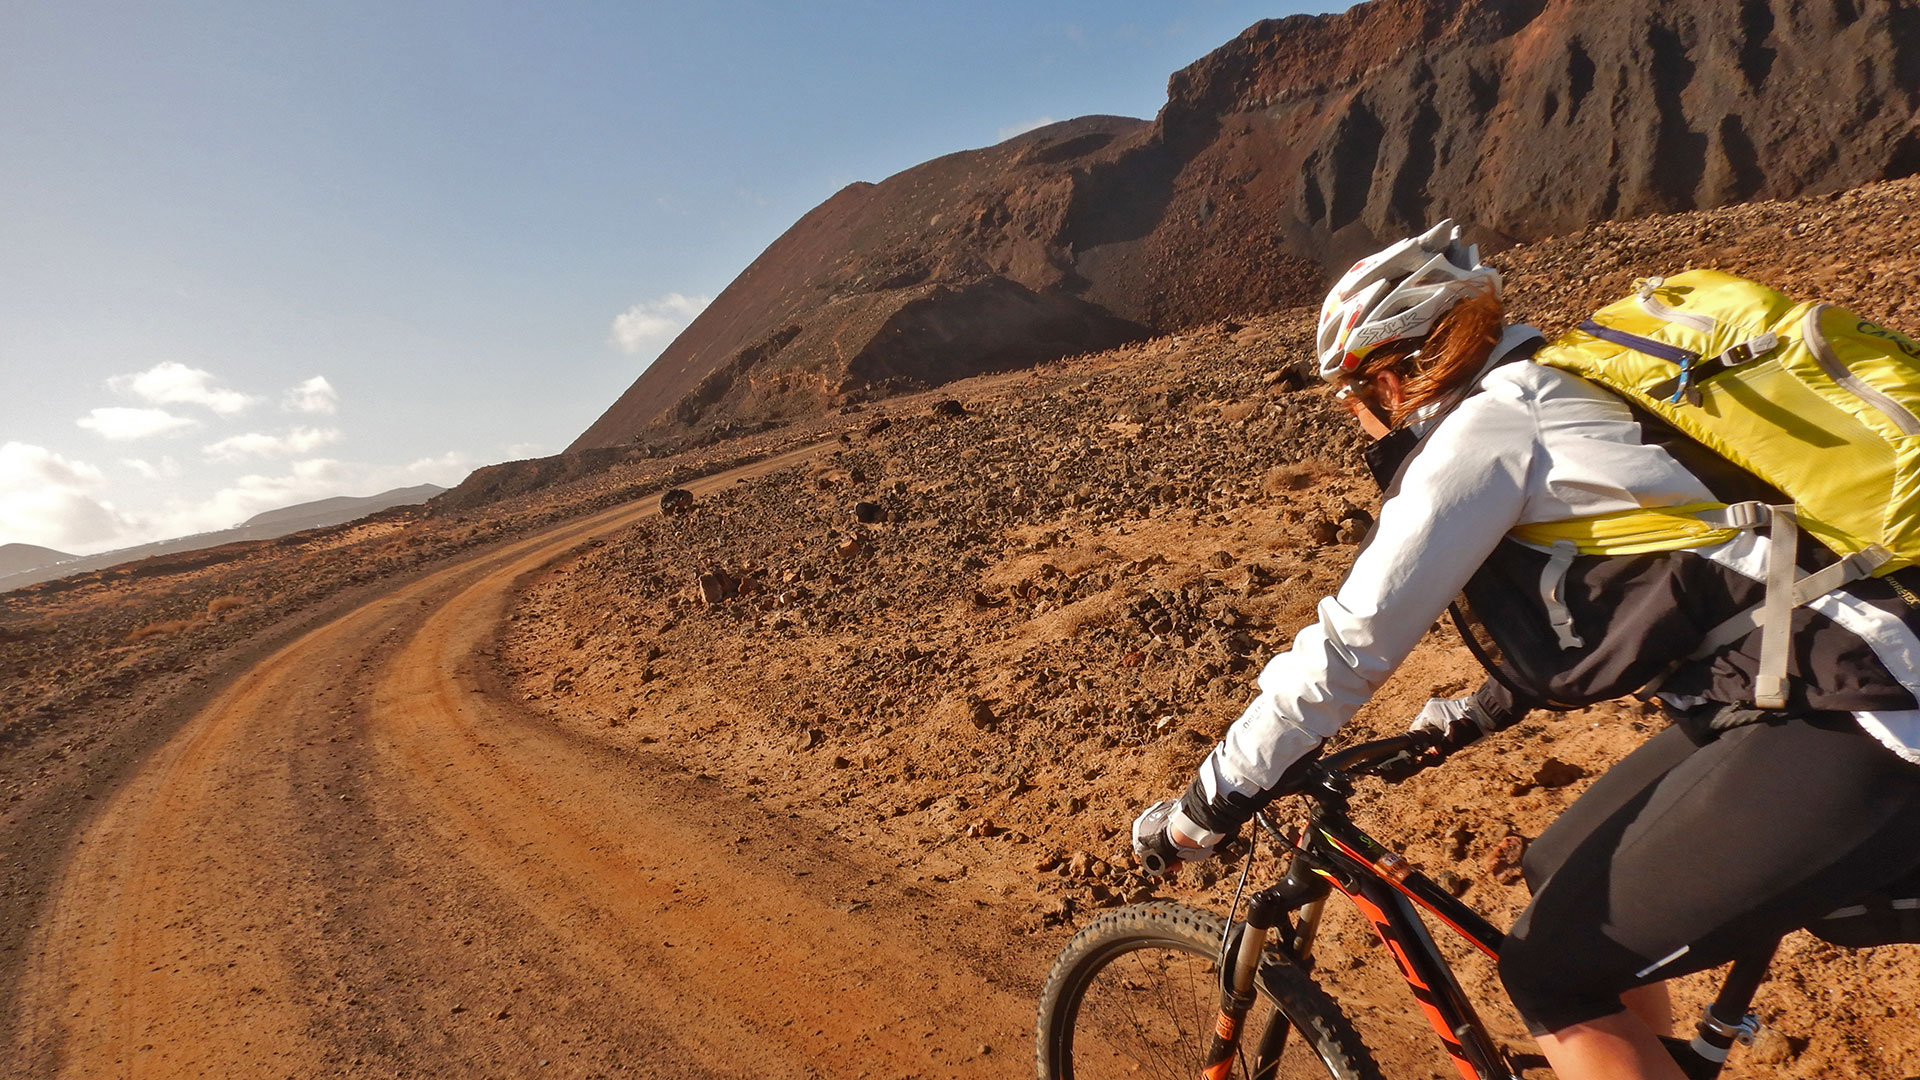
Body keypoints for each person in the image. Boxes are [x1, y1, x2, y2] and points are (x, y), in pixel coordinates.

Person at [1131, 221, 1920, 1080]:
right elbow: (1631, 590)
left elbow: (1350, 644)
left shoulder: (1489, 429)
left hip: (1860, 701)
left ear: (1393, 374)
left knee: (1551, 974)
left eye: (1349, 393)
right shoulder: (1560, 383)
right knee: (1554, 867)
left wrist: (1210, 799)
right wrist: (1472, 713)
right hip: (1795, 682)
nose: (1351, 418)